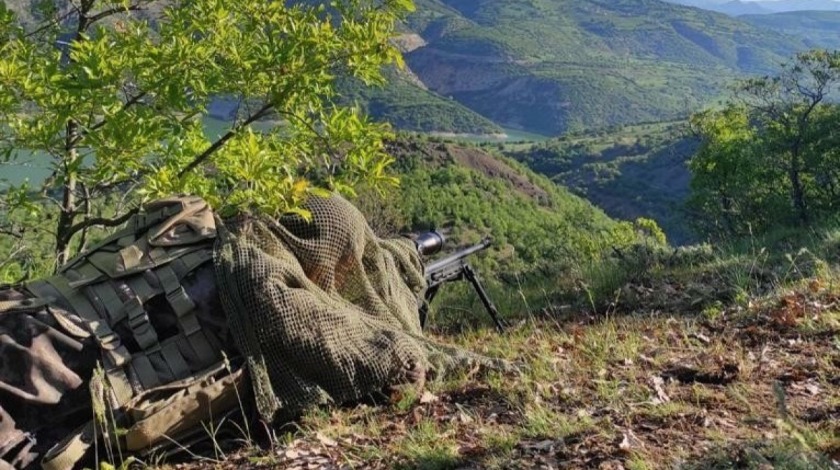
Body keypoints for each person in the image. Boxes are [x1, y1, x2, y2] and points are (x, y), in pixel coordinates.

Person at [0, 193, 459, 470]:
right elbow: (397, 363)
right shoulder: (268, 286)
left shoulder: (191, 230)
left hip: (23, 312)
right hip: (42, 380)